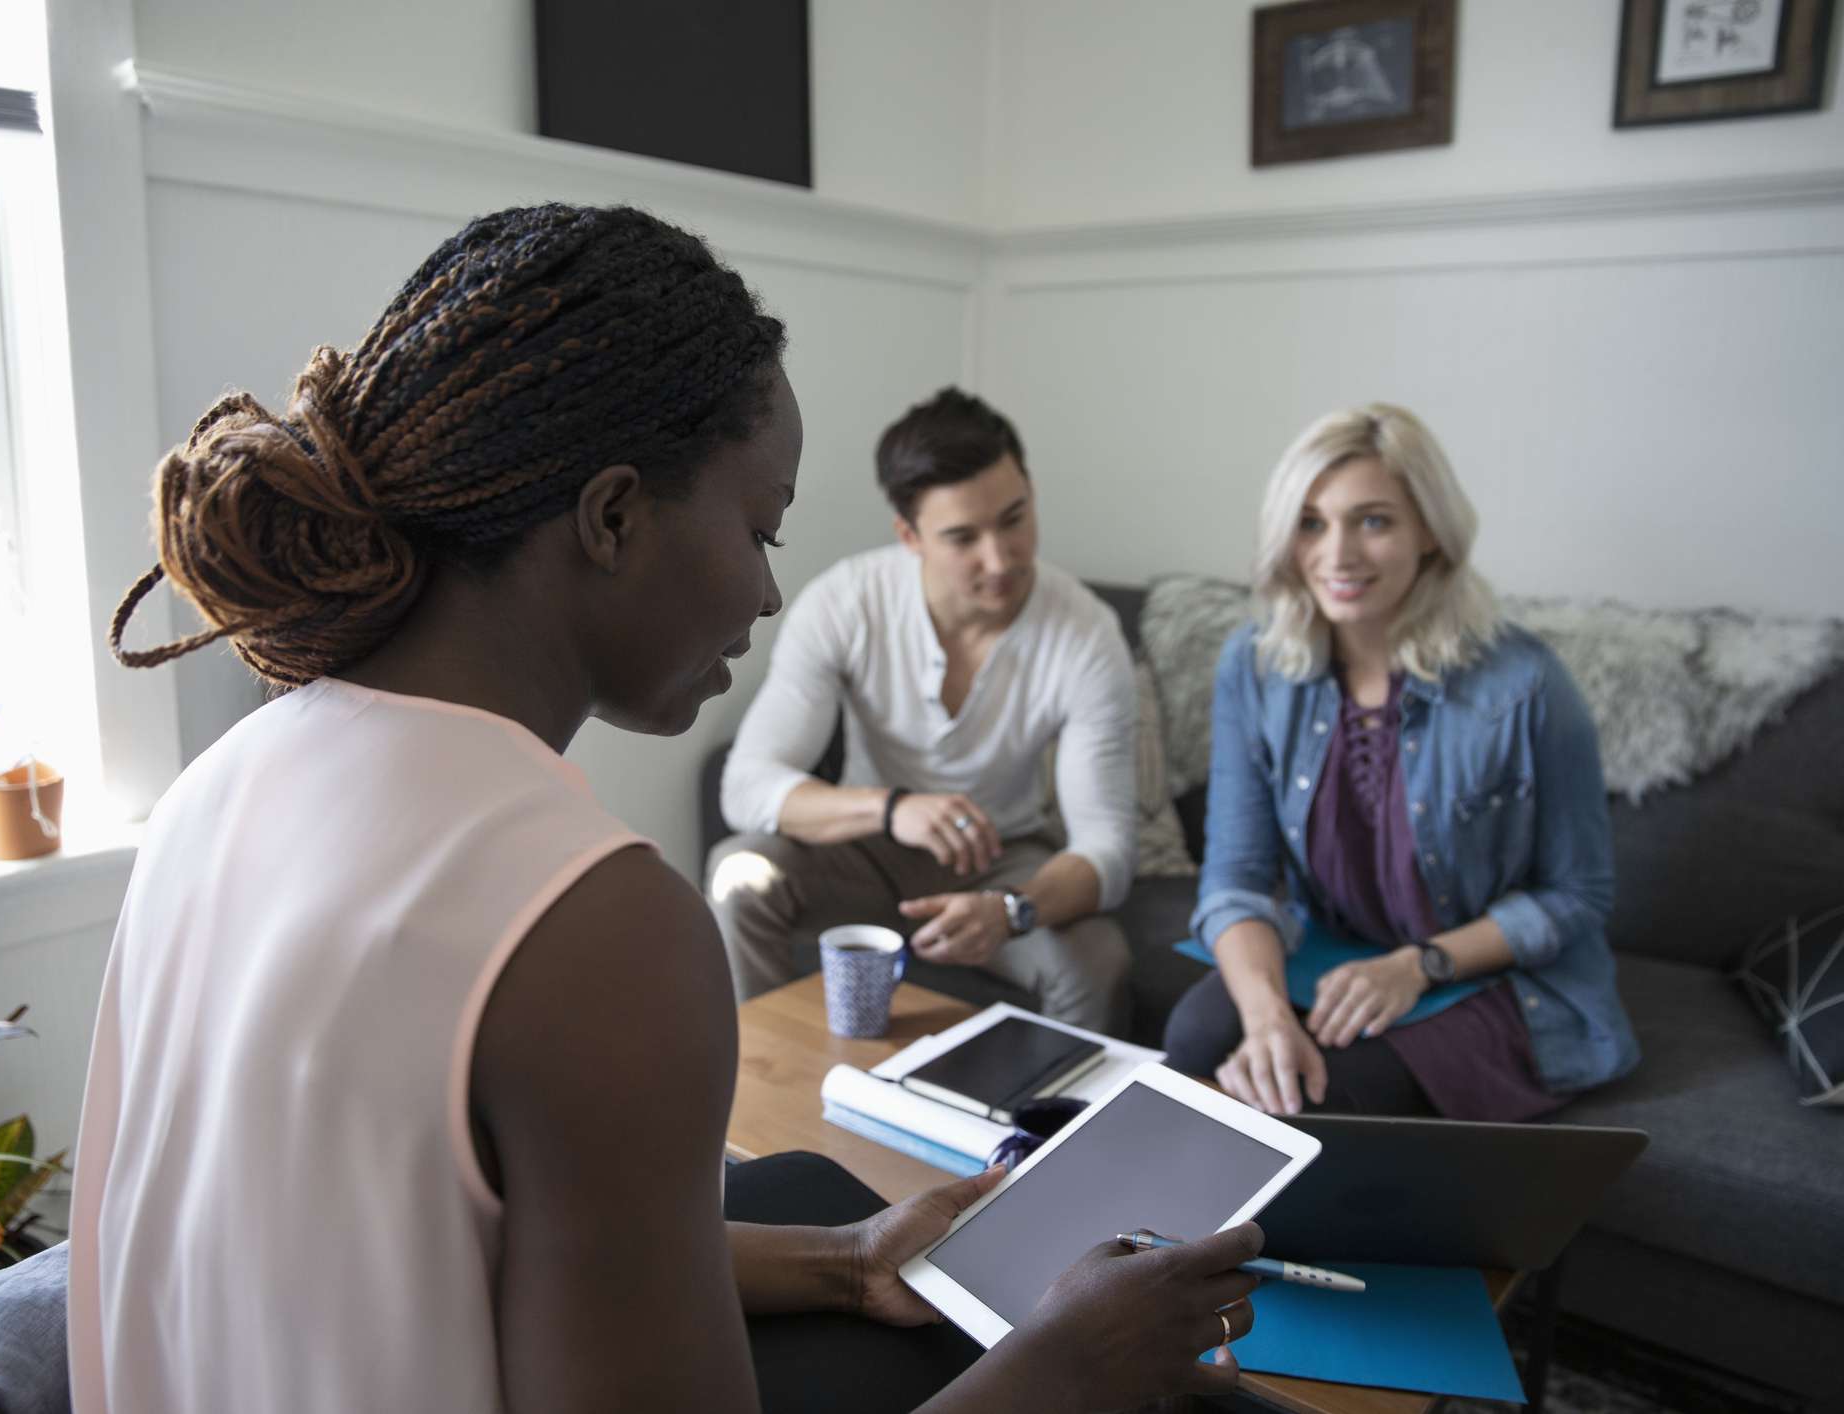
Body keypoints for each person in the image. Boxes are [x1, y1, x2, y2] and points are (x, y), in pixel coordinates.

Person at [63, 204, 1259, 1414]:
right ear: (613, 515)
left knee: (811, 1200)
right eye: (759, 528)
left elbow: (410, 1251)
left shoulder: (212, 789)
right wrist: (1067, 1366)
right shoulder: (600, 926)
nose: (771, 587)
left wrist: (849, 1263)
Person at [1163, 404, 1639, 1120]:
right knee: (1198, 1037)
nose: (1337, 555)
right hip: (1331, 952)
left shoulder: (1525, 686)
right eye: (1311, 522)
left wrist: (1418, 966)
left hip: (1484, 975)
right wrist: (1265, 1021)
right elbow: (1236, 874)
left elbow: (1577, 896)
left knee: (1322, 1090)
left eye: (1373, 521)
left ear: (1429, 533)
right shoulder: (1254, 665)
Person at [710, 388, 1139, 1033]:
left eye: (1015, 519)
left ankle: (1058, 1134)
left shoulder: (1087, 633)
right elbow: (746, 787)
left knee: (1096, 961)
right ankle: (761, 1081)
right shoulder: (847, 601)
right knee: (739, 874)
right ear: (909, 536)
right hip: (865, 847)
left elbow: (1109, 850)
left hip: (1001, 858)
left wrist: (1011, 909)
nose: (1001, 559)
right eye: (964, 537)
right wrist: (891, 808)